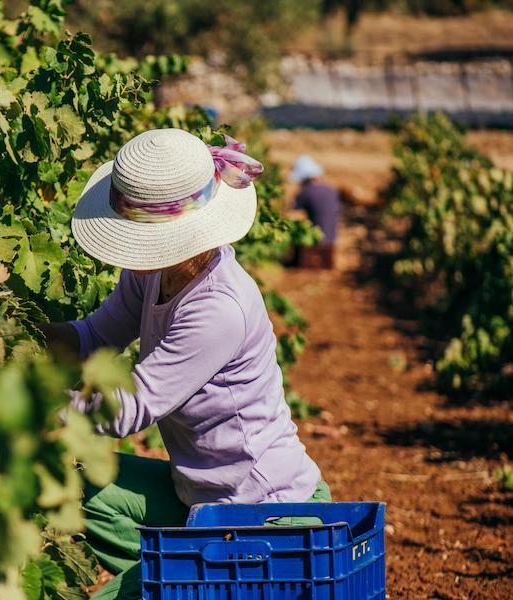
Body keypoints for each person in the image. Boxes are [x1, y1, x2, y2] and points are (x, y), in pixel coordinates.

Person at [40, 129, 330, 599]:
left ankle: (178, 582)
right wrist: (23, 336)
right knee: (72, 487)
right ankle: (178, 580)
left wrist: (33, 406)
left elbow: (128, 409)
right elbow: (96, 335)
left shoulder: (217, 308)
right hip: (196, 495)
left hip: (262, 512)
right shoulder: (153, 272)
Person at [288, 155, 341, 269]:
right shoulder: (331, 190)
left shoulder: (305, 193)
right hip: (331, 239)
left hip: (314, 240)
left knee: (292, 226)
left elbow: (294, 213)